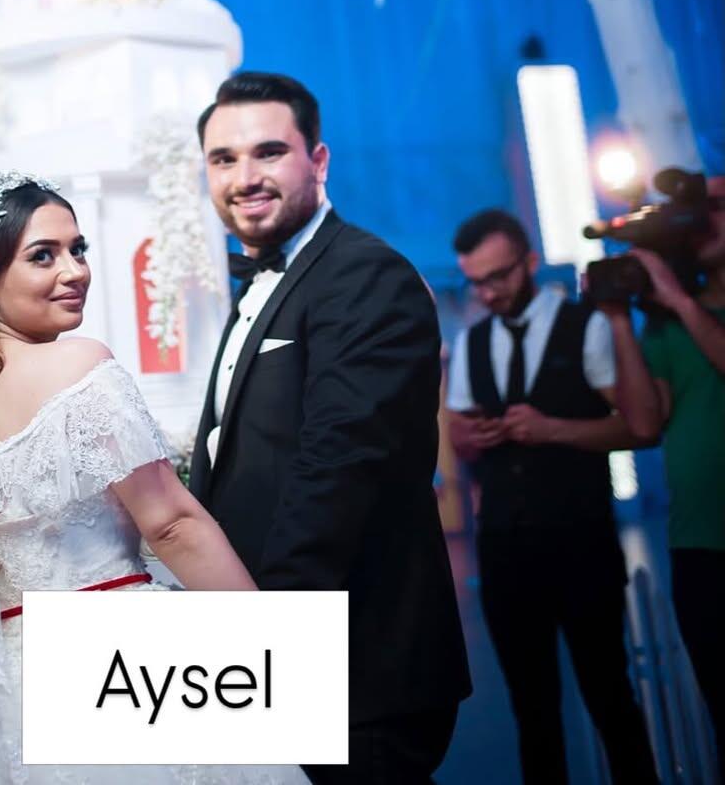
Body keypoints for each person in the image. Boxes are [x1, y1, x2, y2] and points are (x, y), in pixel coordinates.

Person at [0, 170, 308, 784]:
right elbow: (173, 525)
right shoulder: (79, 366)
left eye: (78, 249)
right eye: (42, 256)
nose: (74, 271)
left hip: (2, 684)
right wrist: (273, 656)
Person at [189, 72, 470, 785]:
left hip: (354, 667)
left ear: (318, 160)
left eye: (268, 152)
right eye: (223, 159)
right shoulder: (268, 284)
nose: (244, 178)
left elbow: (340, 473)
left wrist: (259, 657)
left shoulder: (365, 277)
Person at [446, 208, 658, 785]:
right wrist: (470, 439)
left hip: (581, 539)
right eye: (477, 282)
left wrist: (551, 429)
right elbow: (460, 437)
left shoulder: (587, 325)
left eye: (499, 276)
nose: (489, 293)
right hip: (504, 549)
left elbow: (638, 427)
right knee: (531, 708)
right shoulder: (471, 343)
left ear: (531, 262)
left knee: (608, 693)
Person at [606, 173, 725, 775]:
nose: (702, 220)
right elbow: (646, 422)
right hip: (699, 547)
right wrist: (618, 319)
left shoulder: (682, 310)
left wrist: (678, 299)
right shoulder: (665, 324)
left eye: (717, 206)